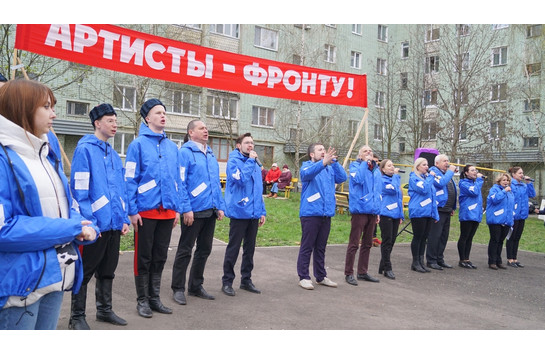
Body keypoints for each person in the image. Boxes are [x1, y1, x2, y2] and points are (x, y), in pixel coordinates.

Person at [0, 79, 97, 330]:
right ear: (21, 108)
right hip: (20, 284)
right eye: (46, 106)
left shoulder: (44, 152)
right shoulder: (3, 157)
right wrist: (70, 229)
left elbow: (66, 202)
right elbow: (3, 229)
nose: (54, 113)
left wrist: (82, 223)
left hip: (55, 275)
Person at [68, 103, 130, 330]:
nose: (115, 124)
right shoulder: (85, 150)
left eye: (116, 121)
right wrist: (90, 222)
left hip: (113, 224)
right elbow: (80, 190)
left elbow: (120, 190)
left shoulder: (113, 154)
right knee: (85, 272)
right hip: (95, 226)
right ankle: (76, 317)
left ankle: (104, 310)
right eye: (110, 120)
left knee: (108, 270)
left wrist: (123, 218)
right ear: (97, 123)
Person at [125, 98, 183, 318]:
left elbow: (176, 179)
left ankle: (155, 298)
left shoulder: (172, 147)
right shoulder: (137, 145)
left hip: (167, 212)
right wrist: (132, 210)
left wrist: (176, 208)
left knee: (160, 256)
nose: (163, 116)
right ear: (147, 118)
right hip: (145, 212)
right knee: (144, 257)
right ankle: (142, 301)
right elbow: (130, 179)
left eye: (165, 113)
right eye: (158, 113)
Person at [171, 120, 225, 305]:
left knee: (204, 249)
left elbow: (215, 183)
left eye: (206, 128)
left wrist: (220, 206)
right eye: (202, 128)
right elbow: (181, 182)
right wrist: (186, 208)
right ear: (191, 132)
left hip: (210, 210)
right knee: (185, 250)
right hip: (193, 211)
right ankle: (178, 288)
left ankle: (195, 286)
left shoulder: (209, 153)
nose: (206, 131)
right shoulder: (185, 153)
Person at [222, 133, 267, 296]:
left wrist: (262, 211)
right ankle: (227, 281)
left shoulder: (254, 163)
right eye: (247, 143)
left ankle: (246, 280)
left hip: (253, 213)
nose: (251, 146)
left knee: (250, 249)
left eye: (252, 143)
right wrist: (250, 161)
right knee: (233, 248)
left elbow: (258, 189)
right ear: (238, 145)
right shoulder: (234, 161)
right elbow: (240, 179)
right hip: (239, 212)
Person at [297, 143, 347, 290]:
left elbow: (342, 177)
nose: (324, 152)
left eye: (325, 150)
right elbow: (306, 175)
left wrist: (335, 163)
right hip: (311, 213)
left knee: (321, 247)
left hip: (326, 213)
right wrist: (323, 163)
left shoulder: (329, 169)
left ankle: (320, 276)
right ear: (312, 154)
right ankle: (304, 277)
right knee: (307, 246)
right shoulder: (306, 166)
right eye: (320, 150)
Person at [344, 145, 382, 286]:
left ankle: (362, 271)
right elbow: (358, 179)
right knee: (354, 242)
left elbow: (378, 192)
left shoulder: (376, 170)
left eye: (370, 151)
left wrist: (377, 211)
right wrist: (364, 164)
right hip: (360, 209)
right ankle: (349, 272)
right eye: (365, 151)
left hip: (372, 211)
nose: (369, 153)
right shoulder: (355, 167)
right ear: (360, 155)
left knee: (367, 243)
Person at [426, 154, 457, 270]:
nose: (447, 163)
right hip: (438, 209)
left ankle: (439, 258)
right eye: (444, 161)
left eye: (448, 161)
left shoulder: (446, 174)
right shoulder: (433, 172)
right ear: (437, 163)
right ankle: (431, 260)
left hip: (447, 209)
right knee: (435, 235)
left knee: (444, 236)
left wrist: (452, 207)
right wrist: (450, 171)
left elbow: (451, 190)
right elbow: (440, 184)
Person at [408, 157, 439, 273]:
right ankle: (415, 262)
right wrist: (431, 176)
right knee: (418, 237)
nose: (427, 167)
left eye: (427, 164)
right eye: (424, 165)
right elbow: (424, 190)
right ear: (417, 167)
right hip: (418, 212)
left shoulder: (427, 179)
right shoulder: (414, 178)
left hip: (428, 212)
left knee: (424, 238)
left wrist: (435, 214)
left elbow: (433, 197)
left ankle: (421, 261)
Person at [378, 159, 404, 280]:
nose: (392, 167)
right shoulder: (382, 180)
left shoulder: (394, 180)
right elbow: (392, 189)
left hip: (395, 214)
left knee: (392, 241)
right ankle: (388, 268)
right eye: (389, 166)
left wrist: (401, 215)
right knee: (387, 241)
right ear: (383, 169)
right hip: (386, 214)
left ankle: (382, 265)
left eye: (393, 165)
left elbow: (399, 199)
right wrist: (397, 176)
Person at [507, 166, 536, 268]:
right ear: (513, 175)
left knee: (517, 237)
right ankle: (510, 258)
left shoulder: (523, 185)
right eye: (519, 173)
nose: (522, 175)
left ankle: (515, 258)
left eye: (522, 173)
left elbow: (532, 194)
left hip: (522, 215)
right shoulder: (511, 185)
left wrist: (529, 183)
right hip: (513, 215)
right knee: (512, 237)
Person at [457, 165, 484, 269]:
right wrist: (479, 180)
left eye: (476, 170)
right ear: (466, 173)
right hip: (467, 214)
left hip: (476, 214)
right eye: (472, 170)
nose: (475, 172)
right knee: (464, 236)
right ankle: (462, 259)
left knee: (470, 238)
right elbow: (474, 192)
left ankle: (467, 259)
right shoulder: (463, 183)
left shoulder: (475, 183)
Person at [486, 173, 514, 270]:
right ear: (499, 181)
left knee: (501, 241)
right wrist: (504, 191)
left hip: (506, 220)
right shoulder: (494, 189)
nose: (506, 182)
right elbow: (495, 200)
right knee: (495, 240)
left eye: (507, 180)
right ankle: (492, 261)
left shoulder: (510, 192)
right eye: (504, 180)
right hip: (495, 219)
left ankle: (498, 261)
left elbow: (510, 207)